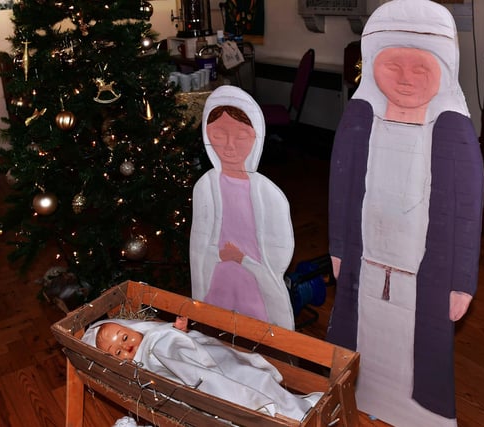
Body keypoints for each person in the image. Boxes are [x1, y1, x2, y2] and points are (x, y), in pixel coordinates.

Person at [326, 1, 484, 426]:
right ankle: (363, 395)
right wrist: (339, 248)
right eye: (392, 66)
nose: (405, 79)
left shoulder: (452, 131)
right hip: (369, 259)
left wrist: (461, 282)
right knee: (366, 331)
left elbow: (467, 216)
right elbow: (341, 192)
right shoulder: (360, 120)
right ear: (372, 63)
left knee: (416, 343)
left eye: (420, 68)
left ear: (444, 66)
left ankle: (419, 414)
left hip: (422, 270)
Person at [190, 85, 295, 330]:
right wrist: (218, 256)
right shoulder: (205, 187)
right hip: (219, 278)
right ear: (206, 136)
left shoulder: (268, 194)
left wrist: (243, 260)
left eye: (240, 137)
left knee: (257, 332)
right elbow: (199, 243)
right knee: (219, 329)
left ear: (255, 136)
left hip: (254, 282)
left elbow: (280, 250)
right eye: (218, 135)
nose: (229, 146)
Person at [83, 318, 321, 420]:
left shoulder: (156, 336)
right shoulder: (143, 362)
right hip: (199, 380)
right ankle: (291, 414)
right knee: (242, 390)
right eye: (117, 353)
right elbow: (171, 373)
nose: (126, 348)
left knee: (252, 378)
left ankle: (294, 411)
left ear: (133, 327)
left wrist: (176, 331)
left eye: (124, 337)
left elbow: (191, 343)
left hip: (217, 360)